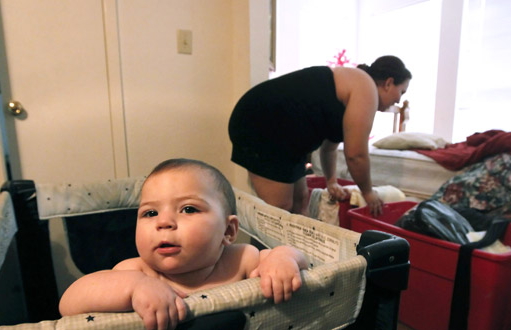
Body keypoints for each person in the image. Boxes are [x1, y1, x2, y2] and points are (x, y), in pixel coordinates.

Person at [59, 158, 308, 330]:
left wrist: (283, 258)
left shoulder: (241, 259)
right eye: (150, 213)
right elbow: (68, 302)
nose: (164, 222)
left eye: (188, 209)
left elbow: (299, 258)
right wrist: (135, 288)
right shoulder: (136, 272)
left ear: (229, 231)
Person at [228, 55, 411, 216]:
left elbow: (330, 147)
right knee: (280, 210)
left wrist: (331, 181)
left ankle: (298, 254)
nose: (398, 100)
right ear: (388, 83)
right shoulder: (366, 87)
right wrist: (368, 193)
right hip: (261, 122)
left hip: (287, 137)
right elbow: (356, 155)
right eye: (401, 92)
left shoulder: (356, 86)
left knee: (301, 202)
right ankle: (264, 255)